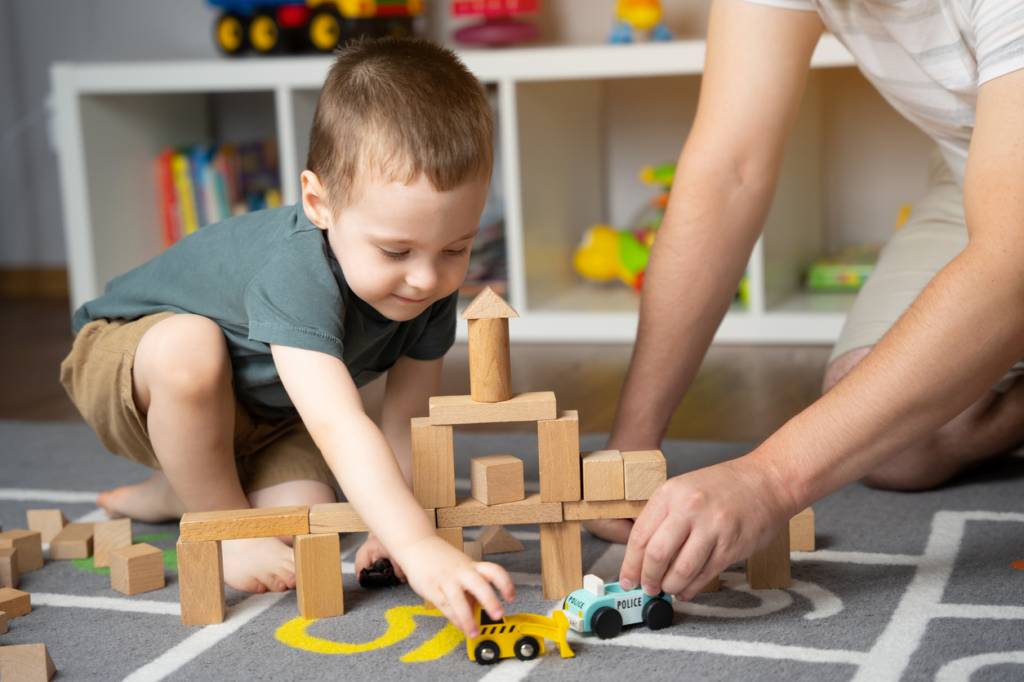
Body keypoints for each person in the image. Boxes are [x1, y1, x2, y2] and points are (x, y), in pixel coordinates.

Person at [60, 38, 514, 637]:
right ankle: (217, 520)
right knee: (189, 349)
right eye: (395, 250)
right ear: (318, 202)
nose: (428, 277)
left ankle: (179, 488)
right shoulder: (296, 268)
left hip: (264, 412)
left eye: (456, 248)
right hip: (129, 364)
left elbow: (408, 421)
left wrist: (395, 528)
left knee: (307, 525)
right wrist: (422, 546)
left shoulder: (425, 287)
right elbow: (338, 422)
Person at [596, 0, 1024, 601]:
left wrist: (768, 479)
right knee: (898, 441)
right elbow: (728, 173)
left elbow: (1010, 268)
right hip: (983, 172)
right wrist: (631, 448)